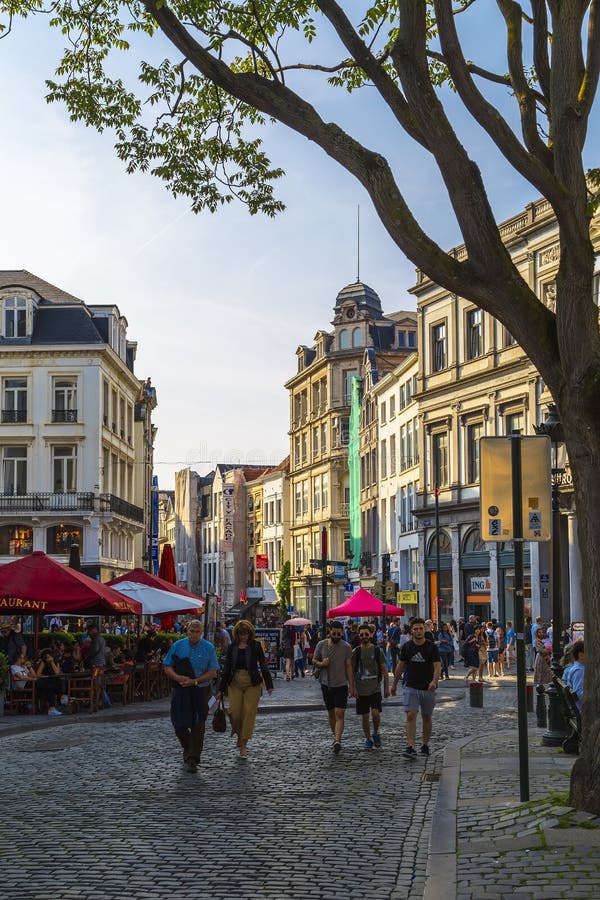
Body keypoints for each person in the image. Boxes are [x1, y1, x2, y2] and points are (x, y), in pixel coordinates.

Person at [162, 620, 219, 773]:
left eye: (197, 632)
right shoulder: (178, 646)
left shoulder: (209, 648)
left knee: (198, 724)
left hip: (200, 690)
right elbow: (167, 666)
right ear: (187, 631)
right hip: (181, 690)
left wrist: (195, 681)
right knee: (178, 723)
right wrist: (178, 678)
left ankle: (193, 758)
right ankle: (188, 747)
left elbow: (213, 671)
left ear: (201, 633)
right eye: (191, 631)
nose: (194, 634)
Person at [220, 619, 274, 759]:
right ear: (236, 634)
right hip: (235, 682)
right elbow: (227, 666)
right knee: (235, 712)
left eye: (246, 634)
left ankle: (243, 745)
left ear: (250, 633)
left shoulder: (256, 646)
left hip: (253, 682)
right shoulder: (232, 647)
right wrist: (221, 686)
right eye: (241, 633)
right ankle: (238, 733)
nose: (243, 636)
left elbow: (263, 664)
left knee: (249, 714)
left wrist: (268, 683)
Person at [391, 618, 441, 758]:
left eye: (420, 628)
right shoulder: (407, 647)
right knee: (411, 715)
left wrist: (434, 681)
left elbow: (437, 666)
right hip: (411, 686)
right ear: (411, 631)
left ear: (424, 630)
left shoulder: (432, 647)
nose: (418, 631)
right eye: (415, 629)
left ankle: (425, 745)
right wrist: (394, 684)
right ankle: (410, 746)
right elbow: (400, 666)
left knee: (426, 717)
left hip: (428, 687)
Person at [312, 620, 355, 754]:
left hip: (341, 684)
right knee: (331, 714)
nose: (336, 636)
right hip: (326, 684)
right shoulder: (321, 644)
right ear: (330, 631)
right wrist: (321, 663)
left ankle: (337, 740)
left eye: (339, 634)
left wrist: (351, 685)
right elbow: (314, 660)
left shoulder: (346, 647)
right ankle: (335, 736)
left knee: (339, 713)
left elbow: (349, 666)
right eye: (334, 633)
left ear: (342, 633)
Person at [352, 624, 389, 748]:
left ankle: (376, 733)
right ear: (359, 636)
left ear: (371, 635)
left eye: (366, 634)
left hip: (375, 688)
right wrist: (352, 687)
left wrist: (386, 688)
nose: (364, 637)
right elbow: (351, 671)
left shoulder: (377, 651)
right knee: (365, 716)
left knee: (375, 713)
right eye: (361, 635)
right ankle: (368, 738)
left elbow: (384, 670)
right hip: (361, 689)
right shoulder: (356, 652)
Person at [35, 648, 65, 716]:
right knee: (50, 685)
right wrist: (45, 676)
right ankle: (54, 706)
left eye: (49, 656)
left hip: (53, 681)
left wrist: (52, 662)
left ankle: (61, 698)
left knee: (59, 681)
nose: (48, 658)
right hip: (44, 681)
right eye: (47, 657)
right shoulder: (43, 662)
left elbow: (57, 672)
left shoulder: (56, 662)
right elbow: (38, 674)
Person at [564, 640, 584, 711]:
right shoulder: (579, 670)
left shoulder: (576, 667)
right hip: (582, 709)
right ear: (581, 655)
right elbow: (579, 693)